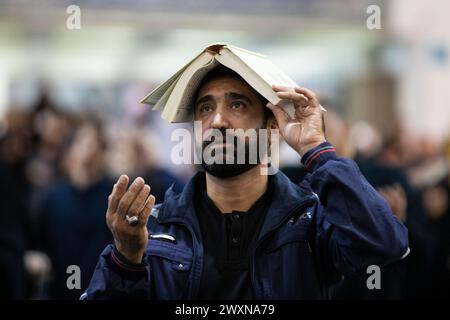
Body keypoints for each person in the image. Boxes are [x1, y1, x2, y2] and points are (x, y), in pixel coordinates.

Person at [83, 66, 409, 299]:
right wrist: (126, 260)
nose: (218, 120)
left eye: (237, 104)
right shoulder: (153, 229)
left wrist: (316, 150)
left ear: (271, 129)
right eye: (205, 107)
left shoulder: (311, 222)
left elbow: (386, 245)